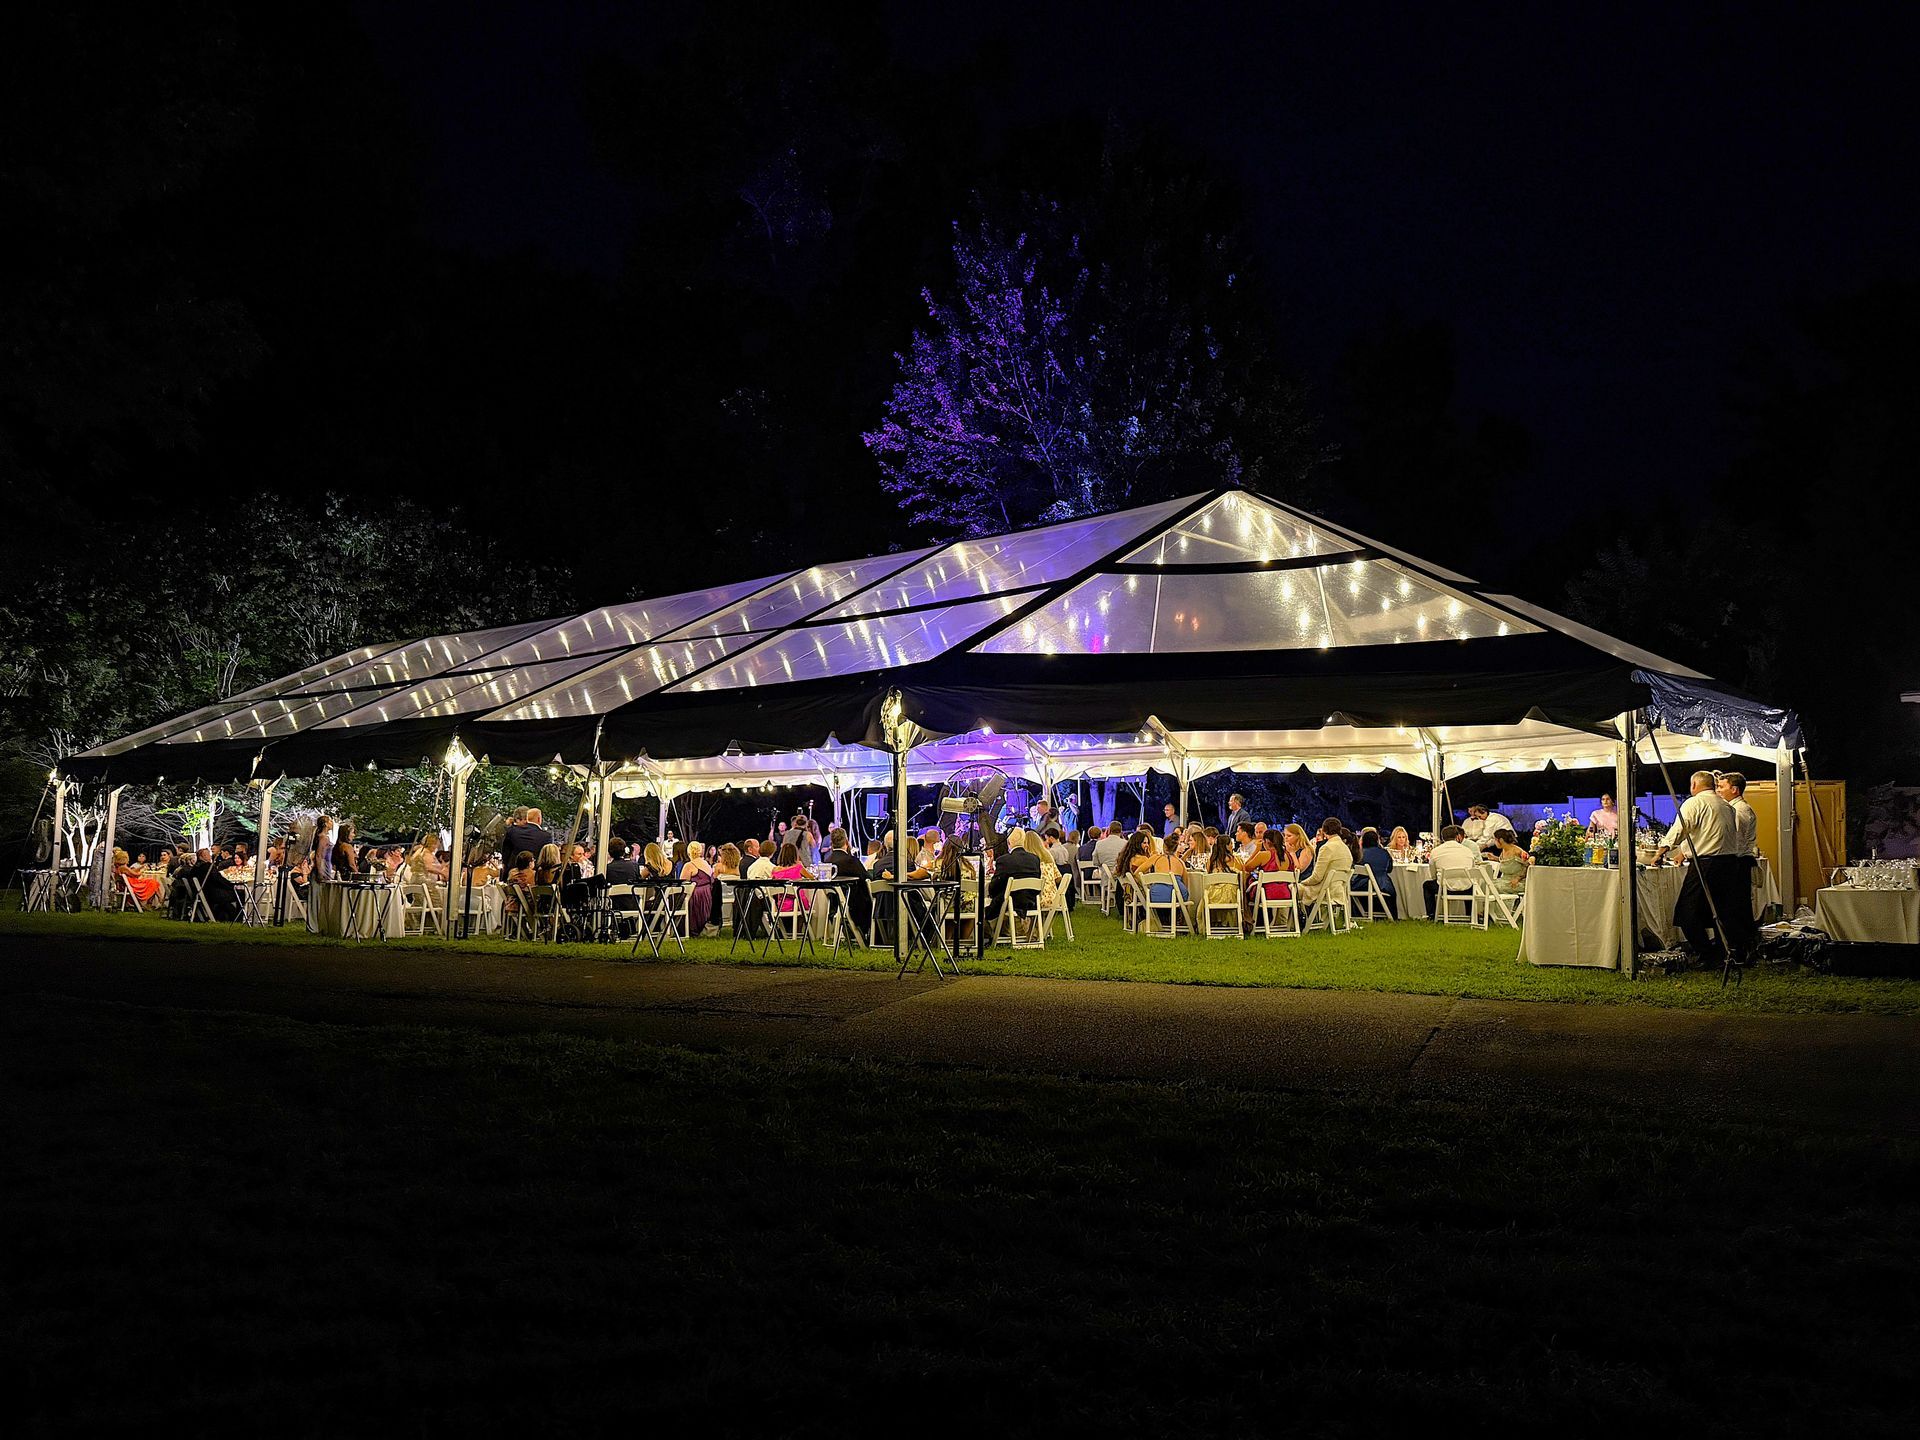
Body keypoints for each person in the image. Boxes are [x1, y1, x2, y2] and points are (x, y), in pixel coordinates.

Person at [1657, 770, 1752, 965]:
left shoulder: (1694, 803)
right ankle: (1724, 951)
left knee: (1687, 912)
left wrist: (1661, 851)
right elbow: (1709, 832)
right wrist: (1683, 851)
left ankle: (1707, 953)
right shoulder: (1726, 806)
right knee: (1721, 911)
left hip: (1707, 862)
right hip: (1728, 862)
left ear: (1694, 785)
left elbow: (1680, 829)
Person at [986, 826, 1043, 928]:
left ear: (1009, 843)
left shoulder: (1004, 860)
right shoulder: (1035, 859)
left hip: (1009, 902)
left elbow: (994, 887)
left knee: (985, 907)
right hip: (1031, 901)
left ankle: (988, 934)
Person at [821, 827, 872, 939]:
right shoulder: (851, 861)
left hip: (834, 903)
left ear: (832, 843)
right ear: (846, 841)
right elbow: (867, 879)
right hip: (854, 904)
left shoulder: (827, 862)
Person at [1424, 825, 1480, 918]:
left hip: (1445, 887)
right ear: (1457, 836)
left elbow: (1433, 873)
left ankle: (1432, 915)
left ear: (1442, 838)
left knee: (1427, 885)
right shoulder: (1467, 851)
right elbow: (1472, 868)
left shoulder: (1436, 851)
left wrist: (1437, 879)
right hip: (1466, 888)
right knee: (1470, 884)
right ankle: (1470, 915)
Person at [1298, 819, 1353, 912]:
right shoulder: (1345, 848)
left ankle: (1293, 922)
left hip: (1325, 890)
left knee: (1292, 889)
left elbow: (1317, 877)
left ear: (1324, 830)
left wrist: (1302, 883)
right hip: (1338, 890)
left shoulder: (1326, 848)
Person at [1356, 827, 1397, 917]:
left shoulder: (1360, 853)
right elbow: (1390, 869)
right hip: (1383, 884)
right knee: (1394, 893)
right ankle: (1393, 915)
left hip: (1362, 884)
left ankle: (1356, 914)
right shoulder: (1384, 853)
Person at [1716, 772, 1758, 857]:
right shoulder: (1733, 807)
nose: (1718, 790)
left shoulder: (1739, 809)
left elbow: (1737, 837)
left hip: (1740, 860)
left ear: (1734, 790)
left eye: (1721, 787)